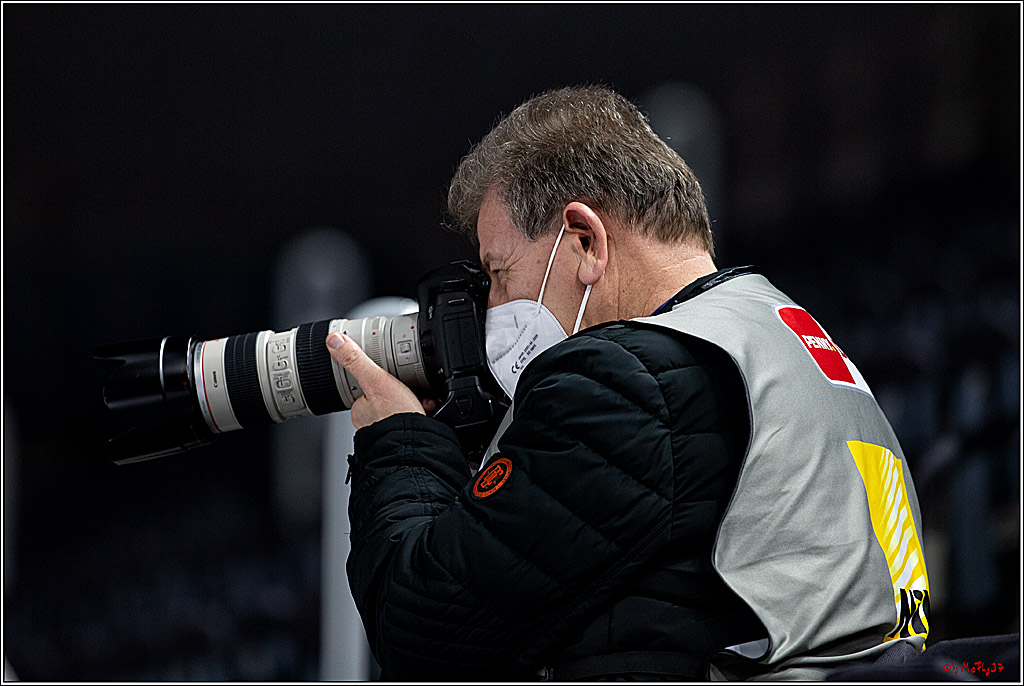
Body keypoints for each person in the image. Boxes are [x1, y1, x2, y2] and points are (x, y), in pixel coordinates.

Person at [323, 86, 930, 680]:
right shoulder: (782, 336)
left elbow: (424, 631)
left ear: (584, 241)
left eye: (500, 273)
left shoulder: (626, 380)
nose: (495, 309)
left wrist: (400, 442)